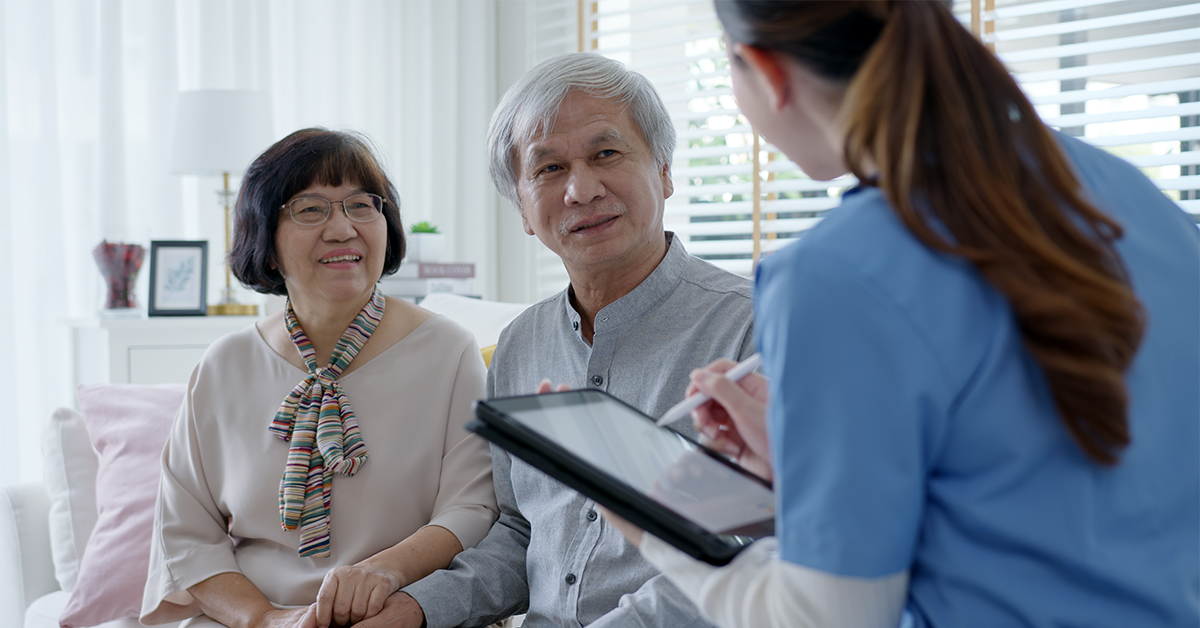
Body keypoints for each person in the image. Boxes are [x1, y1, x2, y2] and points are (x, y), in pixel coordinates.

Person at [599, 0, 1200, 626]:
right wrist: (820, 471)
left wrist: (656, 526)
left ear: (767, 72)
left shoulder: (835, 273)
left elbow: (826, 620)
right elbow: (1058, 472)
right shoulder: (1130, 192)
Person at [354, 53, 756, 628]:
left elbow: (749, 551)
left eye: (606, 153)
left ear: (664, 170)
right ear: (521, 206)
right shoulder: (520, 343)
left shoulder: (750, 327)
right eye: (547, 169)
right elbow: (521, 532)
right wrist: (415, 610)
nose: (581, 189)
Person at [139, 128, 499, 628]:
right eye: (310, 209)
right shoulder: (224, 366)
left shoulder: (449, 351)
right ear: (265, 242)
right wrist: (265, 619)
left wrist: (382, 574)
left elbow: (473, 507)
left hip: (398, 611)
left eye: (360, 206)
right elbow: (186, 535)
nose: (342, 229)